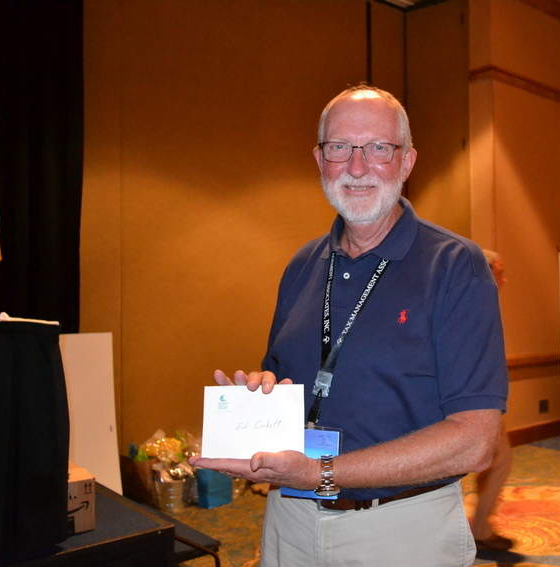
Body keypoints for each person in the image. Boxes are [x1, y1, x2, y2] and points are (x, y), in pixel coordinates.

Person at [191, 85, 508, 567]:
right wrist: (262, 394)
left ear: (406, 162)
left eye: (378, 148)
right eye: (340, 147)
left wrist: (323, 472)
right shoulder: (301, 265)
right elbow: (286, 381)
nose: (357, 167)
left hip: (401, 531)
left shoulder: (455, 266)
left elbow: (475, 442)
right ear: (320, 160)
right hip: (290, 518)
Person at [471, 249, 514, 552]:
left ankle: (479, 528)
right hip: (477, 401)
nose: (505, 280)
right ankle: (479, 531)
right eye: (500, 273)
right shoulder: (476, 307)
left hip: (481, 398)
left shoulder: (475, 301)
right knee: (499, 460)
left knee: (491, 463)